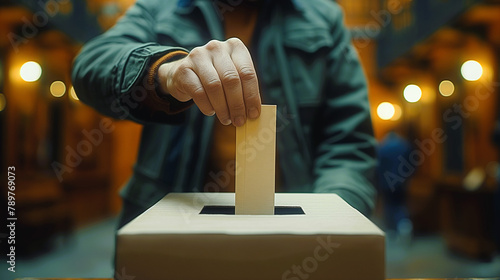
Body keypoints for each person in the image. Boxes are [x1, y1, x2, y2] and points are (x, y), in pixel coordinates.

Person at [72, 0, 377, 229]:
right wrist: (164, 72)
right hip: (174, 234)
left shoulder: (322, 16)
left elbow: (349, 143)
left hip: (292, 233)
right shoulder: (161, 8)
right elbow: (91, 65)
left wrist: (330, 219)